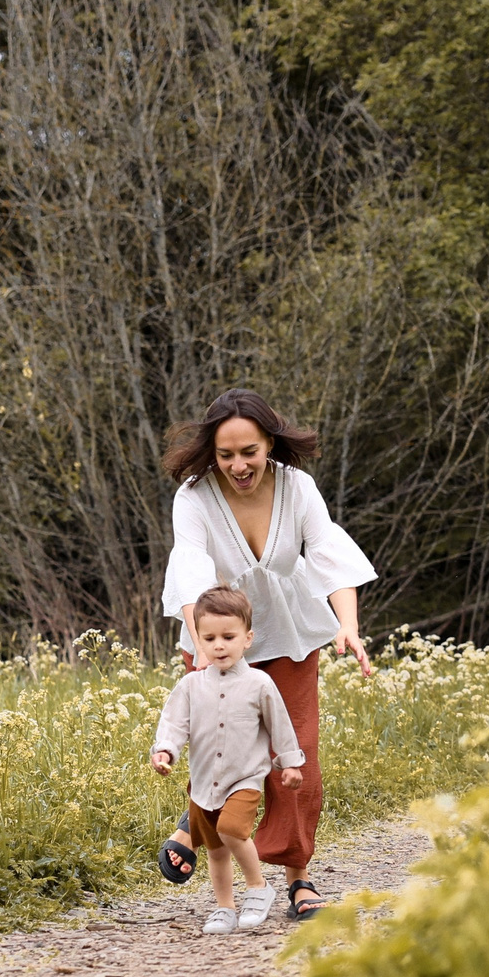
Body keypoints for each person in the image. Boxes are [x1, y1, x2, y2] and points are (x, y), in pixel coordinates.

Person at [157, 388, 374, 921]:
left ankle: (298, 878)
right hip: (218, 634)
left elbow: (327, 552)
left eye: (249, 452)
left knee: (295, 753)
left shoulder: (297, 487)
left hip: (290, 631)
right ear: (211, 451)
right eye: (226, 454)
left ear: (269, 442)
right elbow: (190, 570)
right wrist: (207, 648)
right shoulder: (194, 496)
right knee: (218, 742)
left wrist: (347, 624)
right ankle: (198, 820)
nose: (238, 466)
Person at [150, 585, 306, 934]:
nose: (219, 645)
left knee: (232, 829)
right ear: (199, 642)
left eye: (228, 636)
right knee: (216, 849)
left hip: (244, 778)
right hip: (204, 783)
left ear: (247, 638)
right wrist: (165, 750)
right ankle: (224, 907)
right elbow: (174, 724)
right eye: (210, 638)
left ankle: (258, 887)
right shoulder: (191, 686)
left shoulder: (259, 684)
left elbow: (279, 724)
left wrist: (290, 762)